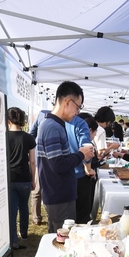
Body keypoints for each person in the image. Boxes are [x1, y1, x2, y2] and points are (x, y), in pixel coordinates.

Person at [36, 81, 94, 233]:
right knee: (63, 238)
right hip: (59, 194)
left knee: (58, 236)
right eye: (78, 106)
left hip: (60, 193)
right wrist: (82, 154)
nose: (77, 112)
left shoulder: (54, 125)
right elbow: (58, 164)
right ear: (68, 102)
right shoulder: (52, 127)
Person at [6, 107, 36, 250]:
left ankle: (13, 241)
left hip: (9, 178)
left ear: (8, 121)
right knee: (24, 207)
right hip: (24, 177)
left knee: (12, 211)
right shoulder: (28, 137)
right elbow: (32, 161)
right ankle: (23, 233)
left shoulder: (3, 137)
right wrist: (34, 179)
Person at [29, 110, 50, 225]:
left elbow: (32, 134)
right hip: (44, 159)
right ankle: (38, 217)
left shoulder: (42, 114)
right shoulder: (42, 114)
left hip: (40, 158)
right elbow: (31, 134)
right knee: (39, 190)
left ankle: (37, 217)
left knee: (37, 190)